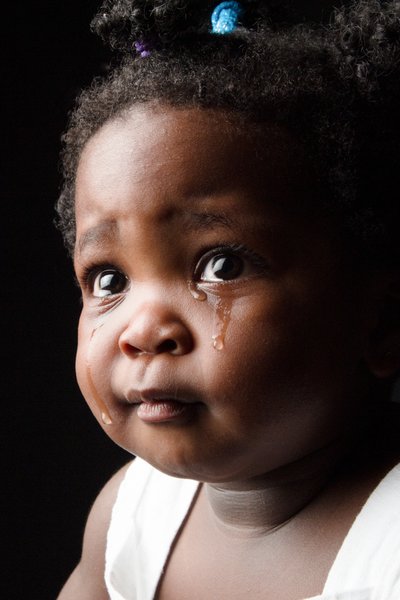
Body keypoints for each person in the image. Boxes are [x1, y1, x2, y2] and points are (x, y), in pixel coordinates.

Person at [56, 0, 400, 598]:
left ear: (382, 321)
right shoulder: (130, 518)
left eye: (221, 265)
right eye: (109, 280)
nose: (143, 329)